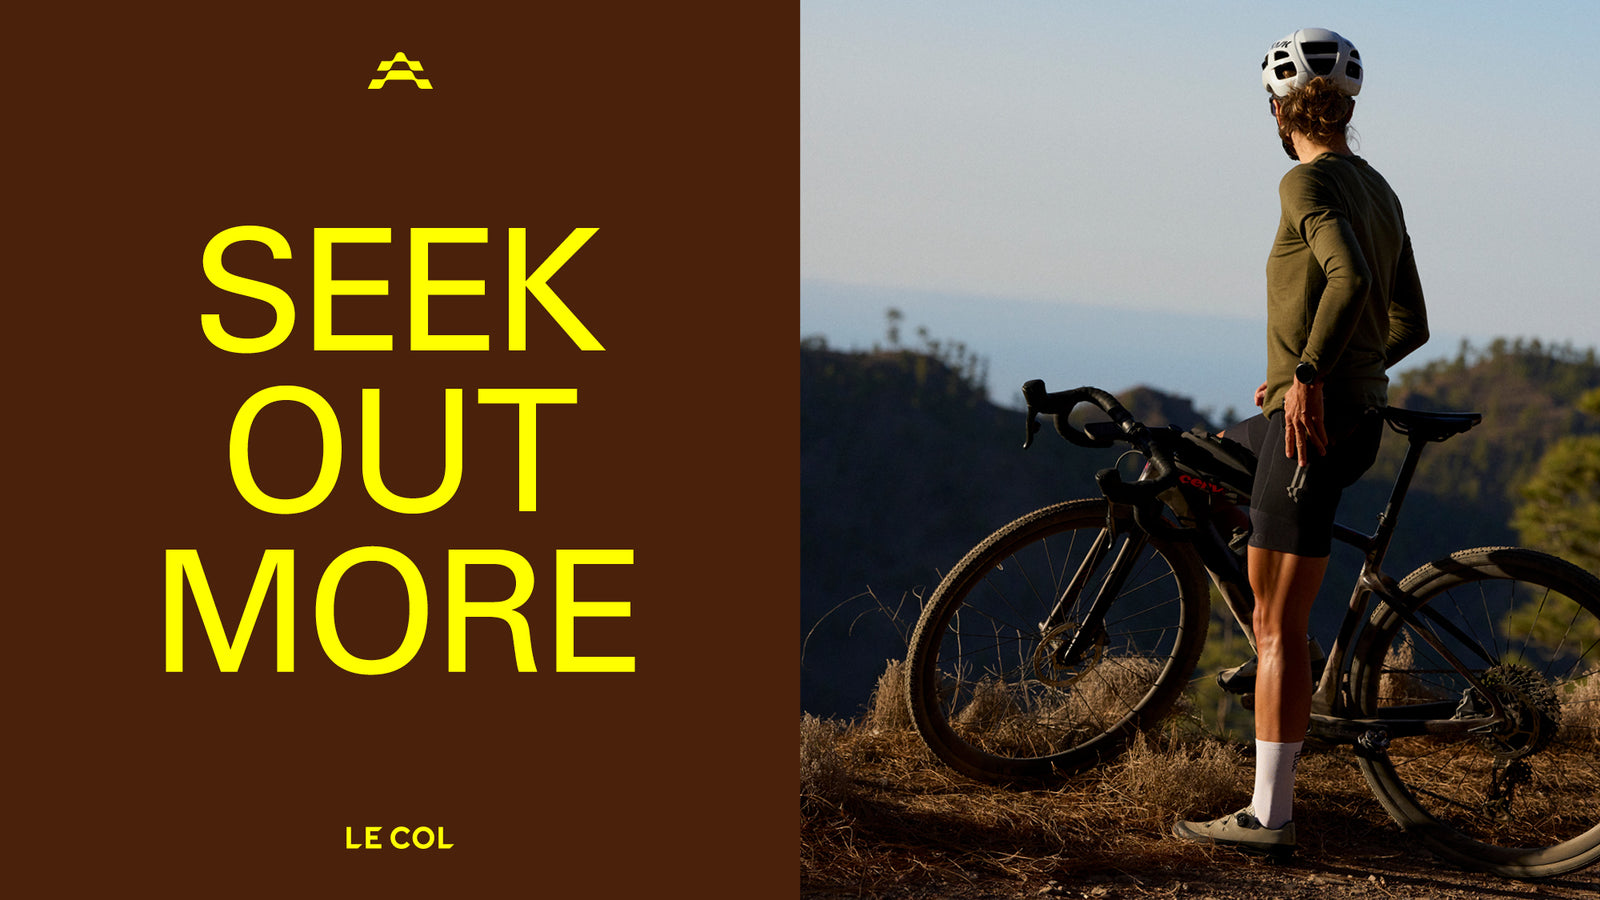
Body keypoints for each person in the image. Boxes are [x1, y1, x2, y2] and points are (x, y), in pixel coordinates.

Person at [1172, 27, 1429, 855]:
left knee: (1281, 623)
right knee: (1189, 459)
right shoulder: (1379, 187)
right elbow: (1410, 324)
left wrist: (1312, 376)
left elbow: (1350, 278)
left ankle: (1269, 814)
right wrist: (1308, 378)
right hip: (1330, 414)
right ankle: (1273, 664)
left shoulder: (1303, 179)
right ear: (1348, 106)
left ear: (1279, 111)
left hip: (1316, 428)